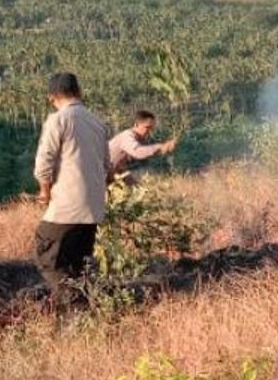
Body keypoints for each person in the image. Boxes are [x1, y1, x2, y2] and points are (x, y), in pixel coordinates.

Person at [32, 73, 112, 298]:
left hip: (66, 208)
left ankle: (76, 308)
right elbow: (108, 166)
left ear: (51, 97)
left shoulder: (58, 120)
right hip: (93, 210)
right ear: (79, 92)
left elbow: (44, 162)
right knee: (78, 266)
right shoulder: (97, 122)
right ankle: (84, 311)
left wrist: (44, 191)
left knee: (48, 258)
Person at [108, 110, 178, 179]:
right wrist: (160, 147)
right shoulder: (127, 136)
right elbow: (138, 152)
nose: (150, 131)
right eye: (147, 127)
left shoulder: (138, 139)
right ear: (136, 125)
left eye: (152, 128)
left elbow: (120, 167)